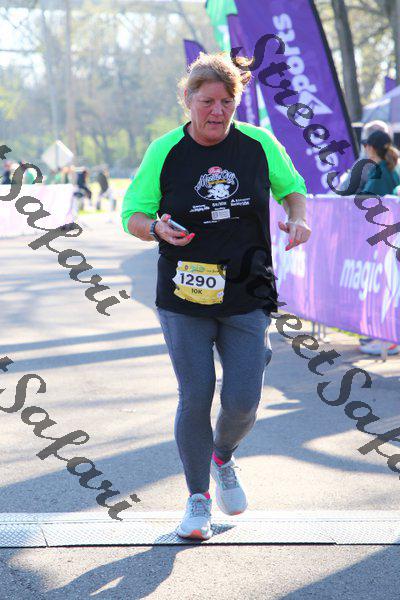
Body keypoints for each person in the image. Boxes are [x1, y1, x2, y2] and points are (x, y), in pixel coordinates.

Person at [121, 52, 311, 541]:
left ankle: (222, 456)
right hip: (184, 294)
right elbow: (133, 214)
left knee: (244, 401)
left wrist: (298, 217)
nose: (217, 111)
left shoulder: (259, 144)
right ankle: (197, 499)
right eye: (207, 101)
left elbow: (293, 188)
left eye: (227, 102)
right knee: (196, 393)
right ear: (188, 100)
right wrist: (155, 228)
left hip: (248, 292)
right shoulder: (165, 150)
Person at [358, 129, 400, 356]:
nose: (365, 148)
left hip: (386, 240)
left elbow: (364, 202)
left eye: (366, 144)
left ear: (371, 147)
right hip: (390, 240)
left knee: (387, 289)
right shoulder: (391, 168)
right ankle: (386, 337)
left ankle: (388, 339)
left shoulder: (380, 171)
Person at [337, 120, 394, 194]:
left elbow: (343, 191)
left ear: (371, 147)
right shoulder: (394, 162)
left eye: (365, 143)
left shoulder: (364, 166)